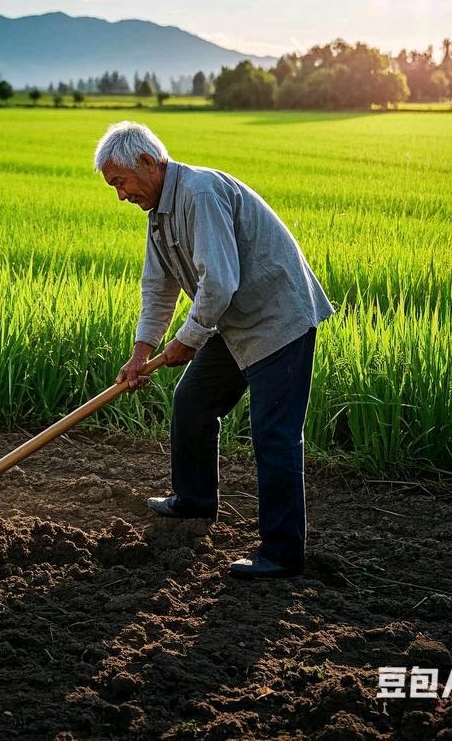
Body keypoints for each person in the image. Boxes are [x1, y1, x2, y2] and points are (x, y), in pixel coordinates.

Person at [94, 121, 335, 579]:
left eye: (120, 182)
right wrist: (141, 351)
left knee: (274, 435)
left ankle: (282, 554)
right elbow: (158, 287)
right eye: (113, 187)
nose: (120, 195)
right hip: (234, 323)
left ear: (148, 162)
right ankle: (194, 501)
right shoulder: (159, 215)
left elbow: (219, 283)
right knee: (193, 402)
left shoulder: (200, 193)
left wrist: (189, 338)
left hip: (277, 319)